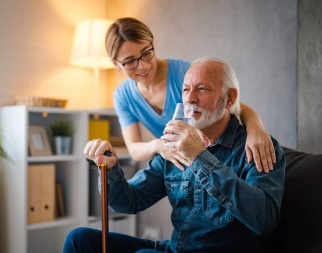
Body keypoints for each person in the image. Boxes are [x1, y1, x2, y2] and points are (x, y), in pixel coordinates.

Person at [63, 57, 286, 253]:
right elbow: (128, 202)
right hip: (175, 248)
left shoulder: (258, 148)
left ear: (229, 99)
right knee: (79, 240)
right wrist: (110, 169)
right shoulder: (174, 145)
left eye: (203, 89)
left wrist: (199, 157)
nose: (190, 99)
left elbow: (264, 219)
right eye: (186, 89)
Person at [107, 17, 276, 172]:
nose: (143, 66)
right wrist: (159, 146)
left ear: (152, 44)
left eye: (146, 53)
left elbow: (234, 104)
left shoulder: (185, 74)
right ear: (116, 64)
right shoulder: (123, 96)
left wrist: (256, 129)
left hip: (214, 155)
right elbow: (134, 149)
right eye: (130, 62)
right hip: (181, 161)